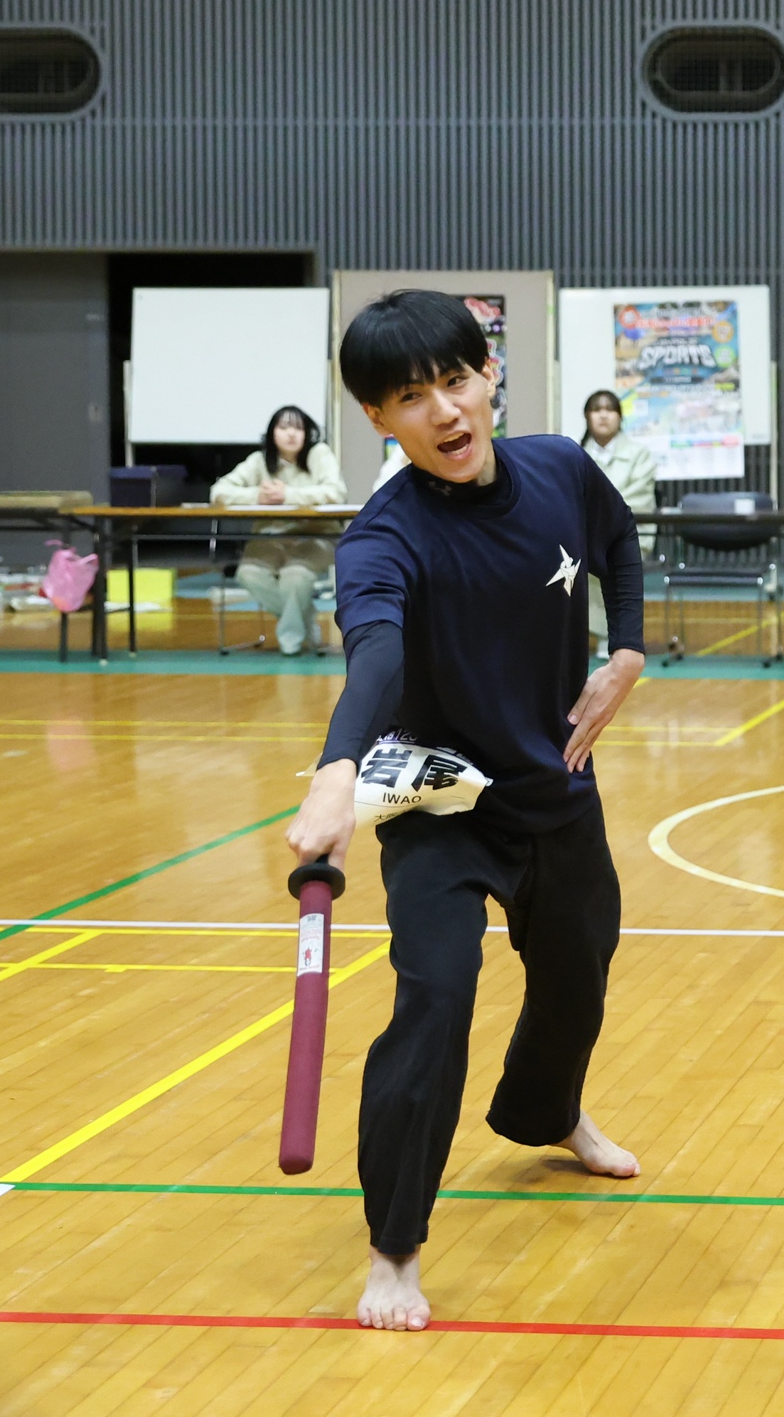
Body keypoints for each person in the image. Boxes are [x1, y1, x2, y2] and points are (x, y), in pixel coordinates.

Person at [282, 289, 648, 1333]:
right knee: (436, 1000)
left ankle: (546, 1112)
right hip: (442, 805)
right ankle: (393, 1249)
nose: (444, 411)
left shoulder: (561, 470)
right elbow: (378, 654)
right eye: (411, 397)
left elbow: (618, 540)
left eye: (455, 380)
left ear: (490, 376)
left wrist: (626, 649)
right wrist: (337, 767)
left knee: (577, 974)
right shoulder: (382, 541)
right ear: (377, 419)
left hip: (556, 785)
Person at [209, 405, 347, 655]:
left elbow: (336, 492)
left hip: (316, 536)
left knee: (296, 576)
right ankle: (305, 618)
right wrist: (256, 496)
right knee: (248, 573)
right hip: (270, 538)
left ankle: (290, 642)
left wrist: (288, 495)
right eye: (284, 427)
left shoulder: (319, 454)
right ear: (272, 433)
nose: (291, 433)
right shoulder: (259, 460)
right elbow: (218, 492)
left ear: (307, 433)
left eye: (298, 428)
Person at [578, 389, 658, 656]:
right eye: (596, 409)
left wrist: (598, 512)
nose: (603, 415)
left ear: (620, 417)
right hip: (585, 534)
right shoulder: (575, 454)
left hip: (628, 536)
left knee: (608, 559)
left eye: (610, 409)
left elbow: (637, 499)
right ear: (587, 417)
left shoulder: (639, 454)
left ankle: (612, 638)